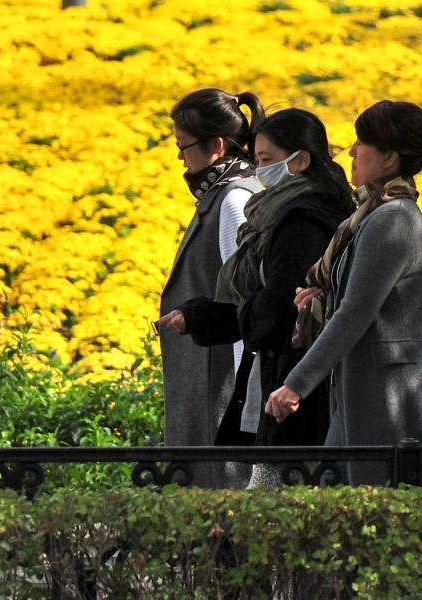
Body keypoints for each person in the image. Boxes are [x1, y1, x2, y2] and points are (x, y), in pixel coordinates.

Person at [266, 100, 422, 488]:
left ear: (389, 158)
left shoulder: (391, 219)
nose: (351, 152)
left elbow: (356, 311)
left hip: (391, 396)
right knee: (351, 504)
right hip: (368, 387)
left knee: (385, 508)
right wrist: (321, 296)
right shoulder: (373, 214)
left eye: (361, 143)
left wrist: (296, 384)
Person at [160, 108, 354, 488]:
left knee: (275, 500)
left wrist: (221, 319)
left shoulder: (301, 220)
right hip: (278, 380)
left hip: (293, 387)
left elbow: (278, 306)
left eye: (265, 160)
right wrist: (199, 317)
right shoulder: (277, 213)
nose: (258, 170)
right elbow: (259, 299)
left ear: (299, 161)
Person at [159, 88, 265, 488]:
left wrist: (246, 401)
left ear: (216, 146)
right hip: (209, 381)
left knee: (217, 499)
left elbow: (241, 305)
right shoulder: (227, 192)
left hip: (217, 388)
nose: (181, 160)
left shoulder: (233, 200)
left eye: (183, 148)